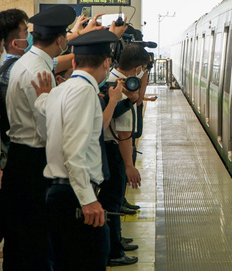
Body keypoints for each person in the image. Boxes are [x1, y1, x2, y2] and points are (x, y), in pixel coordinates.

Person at [33, 29, 120, 271]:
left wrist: (41, 98)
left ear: (73, 61)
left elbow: (44, 111)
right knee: (89, 260)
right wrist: (88, 200)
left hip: (58, 194)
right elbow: (74, 150)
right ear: (106, 62)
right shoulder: (84, 92)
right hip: (74, 197)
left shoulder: (61, 90)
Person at [1, 4, 76, 271]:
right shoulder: (39, 72)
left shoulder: (28, 62)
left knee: (19, 239)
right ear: (60, 40)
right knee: (36, 241)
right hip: (34, 161)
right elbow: (47, 130)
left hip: (20, 158)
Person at [101, 44, 150, 267]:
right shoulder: (118, 88)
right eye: (143, 70)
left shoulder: (118, 82)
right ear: (138, 67)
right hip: (114, 152)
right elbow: (123, 134)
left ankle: (117, 240)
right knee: (112, 204)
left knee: (115, 201)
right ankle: (114, 252)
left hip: (113, 151)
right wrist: (129, 165)